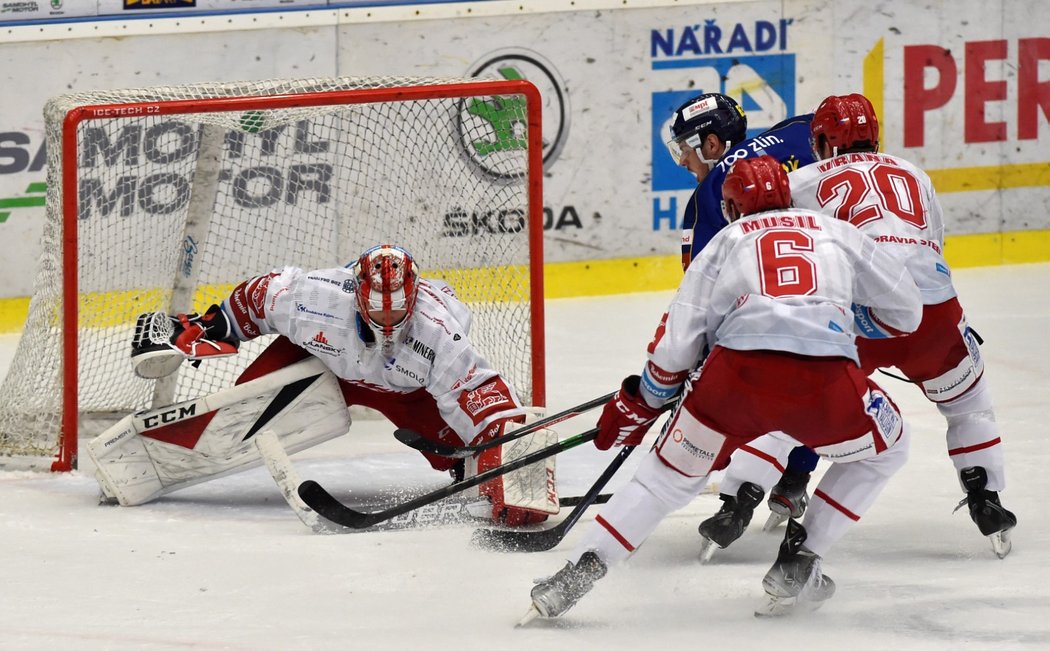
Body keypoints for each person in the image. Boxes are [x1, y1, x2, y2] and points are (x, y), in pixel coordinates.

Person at [523, 156, 923, 621]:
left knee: (663, 480)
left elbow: (676, 348)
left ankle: (575, 573)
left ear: (732, 207)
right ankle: (800, 558)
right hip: (825, 379)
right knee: (889, 448)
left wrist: (642, 402)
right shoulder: (837, 231)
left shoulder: (722, 243)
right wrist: (840, 323)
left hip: (733, 381)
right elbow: (907, 312)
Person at [102, 244, 556, 526]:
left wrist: (511, 461)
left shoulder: (439, 331)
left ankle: (475, 470)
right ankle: (147, 458)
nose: (387, 322)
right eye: (376, 311)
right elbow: (253, 301)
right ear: (357, 296)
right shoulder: (312, 297)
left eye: (397, 312)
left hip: (406, 392)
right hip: (321, 360)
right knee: (242, 409)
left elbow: (483, 398)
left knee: (465, 452)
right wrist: (204, 326)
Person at [787, 93, 1017, 556]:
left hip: (859, 316)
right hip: (933, 310)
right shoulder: (914, 173)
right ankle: (984, 493)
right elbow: (933, 245)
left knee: (791, 398)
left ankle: (749, 494)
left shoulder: (801, 181)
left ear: (821, 141)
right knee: (969, 403)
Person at [665, 92, 822, 550]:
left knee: (759, 387)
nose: (683, 163)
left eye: (686, 151)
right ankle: (794, 480)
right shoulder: (797, 130)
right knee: (823, 381)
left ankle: (742, 494)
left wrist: (686, 359)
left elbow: (704, 295)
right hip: (835, 294)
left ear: (712, 145)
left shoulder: (708, 200)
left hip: (764, 320)